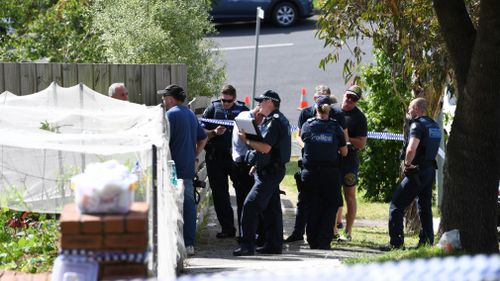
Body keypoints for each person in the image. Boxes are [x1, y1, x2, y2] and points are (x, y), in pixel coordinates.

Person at [285, 84, 347, 243]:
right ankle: (309, 235)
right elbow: (298, 136)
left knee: (319, 203)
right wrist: (307, 145)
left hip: (322, 167)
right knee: (314, 202)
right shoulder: (308, 115)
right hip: (318, 166)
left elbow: (342, 138)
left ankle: (319, 237)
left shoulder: (334, 117)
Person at [233, 90, 291, 256]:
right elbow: (269, 150)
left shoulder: (274, 121)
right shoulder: (276, 120)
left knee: (250, 206)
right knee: (271, 209)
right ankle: (273, 245)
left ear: (270, 102)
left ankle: (247, 246)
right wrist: (257, 164)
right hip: (270, 169)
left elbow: (265, 148)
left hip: (270, 172)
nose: (258, 105)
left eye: (261, 102)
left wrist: (247, 139)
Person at [384, 97, 441, 250]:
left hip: (417, 171)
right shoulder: (434, 125)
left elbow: (411, 148)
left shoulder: (417, 125)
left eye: (410, 108)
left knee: (396, 205)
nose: (408, 111)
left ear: (416, 109)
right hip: (429, 171)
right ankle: (427, 242)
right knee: (424, 206)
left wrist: (407, 164)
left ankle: (396, 243)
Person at [158, 84, 208, 256]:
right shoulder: (190, 114)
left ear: (170, 99)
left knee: (171, 205)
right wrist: (194, 154)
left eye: (164, 97)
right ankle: (189, 244)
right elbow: (203, 138)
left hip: (172, 169)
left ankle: (173, 244)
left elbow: (161, 141)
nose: (163, 100)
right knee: (188, 205)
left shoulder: (169, 116)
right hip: (187, 168)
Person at [201, 85, 249, 239]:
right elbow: (201, 132)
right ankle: (227, 228)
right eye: (223, 100)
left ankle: (245, 229)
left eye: (229, 101)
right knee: (220, 194)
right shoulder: (212, 109)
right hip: (216, 157)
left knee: (243, 192)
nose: (226, 104)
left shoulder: (242, 110)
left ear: (234, 99)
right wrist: (214, 132)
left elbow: (252, 131)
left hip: (236, 158)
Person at [300, 96, 347, 249]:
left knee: (313, 205)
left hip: (310, 173)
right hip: (330, 174)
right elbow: (344, 152)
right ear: (330, 109)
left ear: (316, 108)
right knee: (330, 206)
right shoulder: (336, 127)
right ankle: (324, 240)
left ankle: (312, 240)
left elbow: (302, 142)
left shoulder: (308, 125)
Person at [335, 84, 367, 242]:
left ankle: (348, 232)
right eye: (348, 95)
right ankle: (332, 230)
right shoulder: (334, 112)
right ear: (344, 94)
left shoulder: (359, 117)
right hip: (332, 161)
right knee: (332, 195)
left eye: (353, 98)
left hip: (349, 162)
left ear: (357, 101)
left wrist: (346, 139)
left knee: (350, 196)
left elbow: (361, 143)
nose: (349, 100)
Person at [231, 105, 265, 240]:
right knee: (249, 201)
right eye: (262, 119)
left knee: (243, 200)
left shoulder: (243, 115)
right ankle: (250, 235)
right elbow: (252, 144)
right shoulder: (247, 121)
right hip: (244, 164)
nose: (262, 123)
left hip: (239, 161)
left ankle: (245, 233)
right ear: (258, 114)